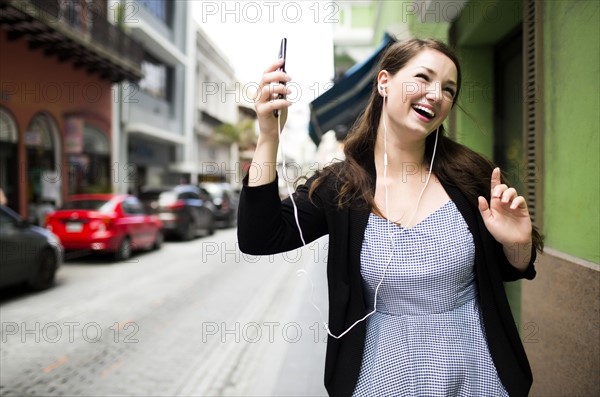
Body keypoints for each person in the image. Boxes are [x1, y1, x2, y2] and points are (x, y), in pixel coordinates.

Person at [237, 38, 543, 397]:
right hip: (381, 372)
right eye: (423, 78)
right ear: (384, 81)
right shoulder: (340, 186)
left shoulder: (471, 175)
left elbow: (512, 268)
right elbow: (259, 237)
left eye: (448, 89)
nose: (435, 95)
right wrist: (268, 136)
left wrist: (517, 244)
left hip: (476, 369)